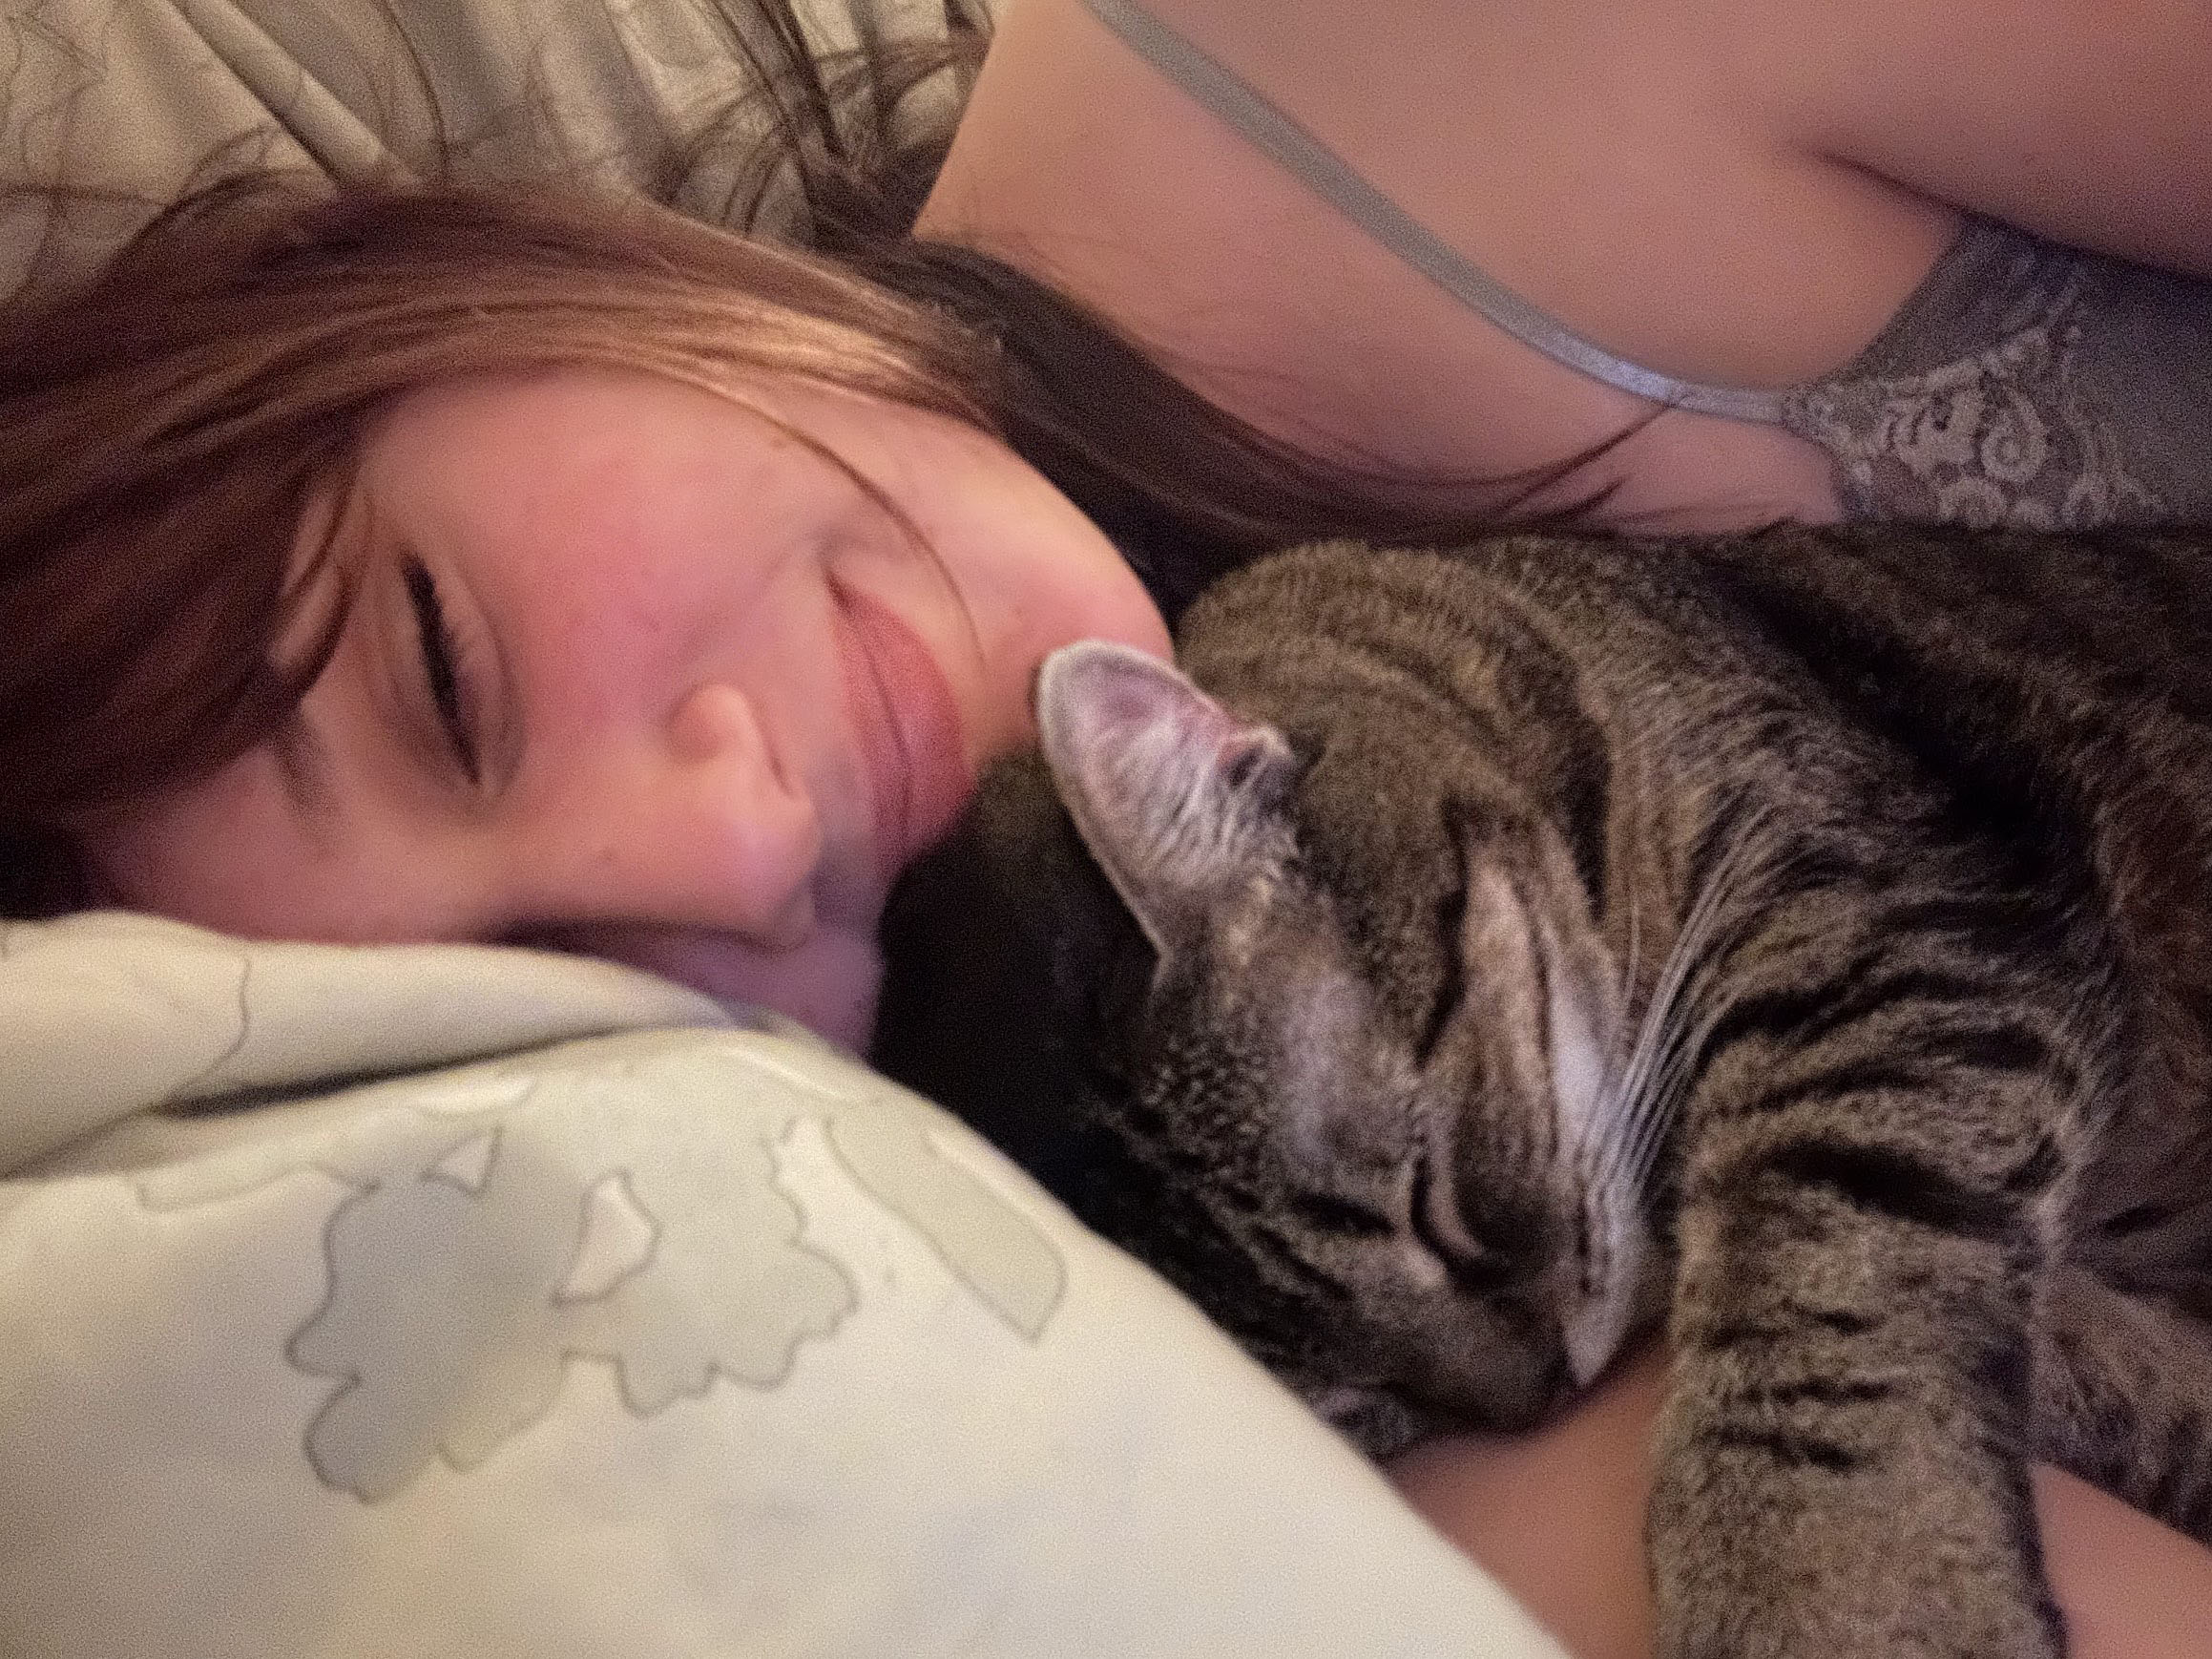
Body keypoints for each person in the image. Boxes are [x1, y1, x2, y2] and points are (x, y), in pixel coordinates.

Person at [5, 0, 2212, 1650]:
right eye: (584, 1006)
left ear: (435, 278)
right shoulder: (1331, 1350)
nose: (736, 853)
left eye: (446, 672)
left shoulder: (1366, 54)